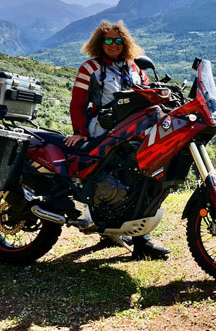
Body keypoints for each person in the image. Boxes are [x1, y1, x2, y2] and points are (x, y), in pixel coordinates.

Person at [63, 20, 170, 260]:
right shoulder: (89, 68)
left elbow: (147, 93)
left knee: (140, 179)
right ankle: (120, 234)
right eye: (108, 40)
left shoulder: (134, 67)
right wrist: (79, 131)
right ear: (99, 43)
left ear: (125, 43)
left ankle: (137, 237)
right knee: (108, 178)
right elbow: (77, 103)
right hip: (103, 131)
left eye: (118, 40)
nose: (113, 45)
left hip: (135, 132)